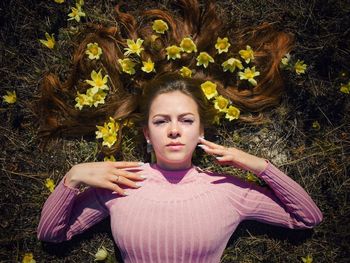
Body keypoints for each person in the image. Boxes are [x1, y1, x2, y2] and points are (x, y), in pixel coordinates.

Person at [36, 1, 323, 262]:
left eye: (186, 120)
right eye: (161, 121)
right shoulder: (120, 183)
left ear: (201, 131)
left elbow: (306, 218)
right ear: (147, 134)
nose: (174, 130)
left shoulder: (229, 190)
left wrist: (257, 165)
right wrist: (72, 178)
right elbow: (52, 235)